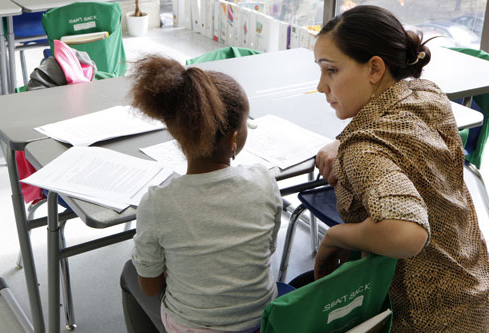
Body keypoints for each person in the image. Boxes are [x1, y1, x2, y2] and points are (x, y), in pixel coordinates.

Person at [311, 5, 489, 331]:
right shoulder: (426, 94)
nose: (322, 85)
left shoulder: (365, 152)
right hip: (473, 292)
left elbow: (406, 234)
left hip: (424, 318)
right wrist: (345, 141)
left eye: (331, 70)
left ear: (375, 69)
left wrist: (336, 236)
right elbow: (398, 132)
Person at [119, 55, 285, 333]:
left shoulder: (158, 202)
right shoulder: (263, 180)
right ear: (234, 138)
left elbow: (149, 287)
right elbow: (265, 250)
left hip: (193, 326)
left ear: (178, 134)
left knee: (129, 272)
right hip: (262, 321)